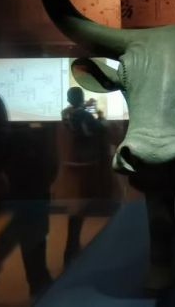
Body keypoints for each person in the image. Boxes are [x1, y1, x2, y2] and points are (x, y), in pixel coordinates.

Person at [58, 87, 113, 264]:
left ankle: (71, 249)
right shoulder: (84, 115)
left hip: (71, 163)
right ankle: (72, 250)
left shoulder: (65, 114)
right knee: (82, 207)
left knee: (76, 209)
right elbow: (99, 130)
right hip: (86, 165)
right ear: (81, 98)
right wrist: (101, 116)